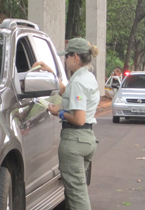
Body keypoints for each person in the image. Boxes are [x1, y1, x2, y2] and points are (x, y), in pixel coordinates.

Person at [32, 37, 99, 210]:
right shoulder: (87, 77)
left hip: (74, 140)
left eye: (67, 57)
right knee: (74, 191)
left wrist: (59, 112)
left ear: (75, 56)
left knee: (77, 195)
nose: (65, 60)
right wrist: (51, 74)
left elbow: (78, 118)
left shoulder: (78, 82)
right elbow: (67, 92)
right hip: (87, 139)